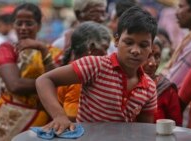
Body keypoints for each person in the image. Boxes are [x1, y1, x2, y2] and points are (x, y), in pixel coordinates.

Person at [36, 6, 157, 134]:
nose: (135, 51)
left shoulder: (149, 88)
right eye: (128, 42)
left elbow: (144, 131)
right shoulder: (95, 66)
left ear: (151, 48)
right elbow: (44, 80)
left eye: (143, 45)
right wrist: (59, 116)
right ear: (116, 41)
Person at [0, 3, 60, 140]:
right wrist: (48, 83)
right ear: (13, 25)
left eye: (29, 23)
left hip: (43, 120)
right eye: (19, 23)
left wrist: (42, 50)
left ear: (39, 26)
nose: (23, 28)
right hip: (8, 120)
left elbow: (59, 88)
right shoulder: (7, 49)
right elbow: (15, 85)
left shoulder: (50, 51)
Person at [57, 21, 111, 121]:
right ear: (91, 48)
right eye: (105, 48)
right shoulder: (80, 77)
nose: (106, 54)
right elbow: (72, 115)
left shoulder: (71, 68)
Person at [142, 37, 182, 126]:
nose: (152, 63)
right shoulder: (121, 84)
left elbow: (177, 128)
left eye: (157, 56)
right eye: (147, 56)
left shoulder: (167, 90)